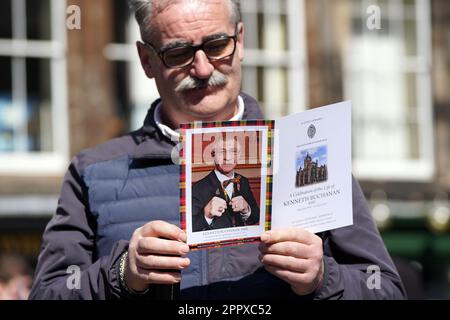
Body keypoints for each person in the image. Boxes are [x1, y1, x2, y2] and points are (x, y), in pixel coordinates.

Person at [29, 0, 406, 299]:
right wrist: (122, 273)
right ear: (146, 60)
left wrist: (323, 278)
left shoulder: (305, 152)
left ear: (240, 41)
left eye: (217, 45)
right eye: (178, 53)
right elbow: (48, 293)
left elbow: (385, 289)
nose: (204, 67)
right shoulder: (95, 170)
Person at [192, 135, 260, 232]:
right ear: (213, 155)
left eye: (233, 151)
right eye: (222, 152)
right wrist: (206, 214)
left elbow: (255, 218)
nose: (227, 158)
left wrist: (246, 210)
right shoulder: (198, 188)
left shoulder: (243, 181)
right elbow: (193, 229)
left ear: (239, 156)